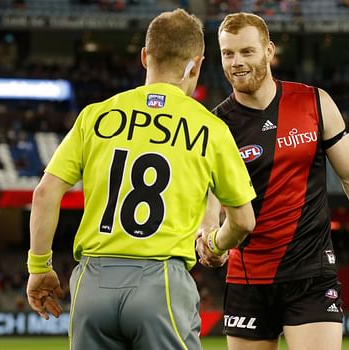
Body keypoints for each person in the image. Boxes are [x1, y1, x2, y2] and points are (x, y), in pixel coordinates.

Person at [25, 9, 256, 350]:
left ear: (145, 57)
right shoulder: (210, 127)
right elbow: (244, 221)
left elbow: (45, 193)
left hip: (92, 284)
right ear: (196, 64)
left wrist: (38, 266)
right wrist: (215, 246)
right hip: (161, 282)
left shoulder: (96, 115)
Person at [197, 12, 349, 350]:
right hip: (248, 279)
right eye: (227, 53)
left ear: (269, 51)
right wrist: (208, 239)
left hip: (312, 276)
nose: (236, 62)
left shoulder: (314, 102)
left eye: (247, 51)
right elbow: (212, 200)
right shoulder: (217, 125)